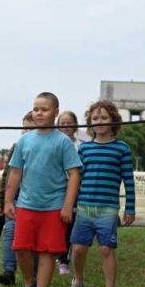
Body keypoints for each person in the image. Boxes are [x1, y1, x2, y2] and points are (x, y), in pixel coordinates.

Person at [5, 93, 81, 287]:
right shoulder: (24, 141)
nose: (39, 113)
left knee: (47, 251)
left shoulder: (63, 142)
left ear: (55, 112)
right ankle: (29, 284)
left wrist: (68, 205)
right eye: (36, 109)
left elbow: (74, 174)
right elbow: (15, 172)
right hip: (26, 205)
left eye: (44, 109)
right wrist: (8, 201)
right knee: (21, 248)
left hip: (53, 207)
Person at [69, 101, 135, 287]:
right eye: (95, 118)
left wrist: (130, 208)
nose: (99, 121)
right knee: (78, 249)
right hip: (84, 208)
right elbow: (76, 179)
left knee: (106, 249)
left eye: (104, 118)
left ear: (113, 120)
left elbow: (129, 180)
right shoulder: (84, 148)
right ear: (90, 122)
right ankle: (78, 279)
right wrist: (69, 204)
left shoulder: (122, 149)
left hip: (108, 209)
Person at [0, 112, 35, 286]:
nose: (26, 132)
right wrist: (2, 200)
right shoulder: (17, 146)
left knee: (32, 237)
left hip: (36, 200)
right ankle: (8, 270)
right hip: (15, 199)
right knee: (10, 230)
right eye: (24, 128)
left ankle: (34, 273)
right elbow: (7, 174)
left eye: (30, 128)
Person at [55, 111, 81, 275]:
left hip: (76, 189)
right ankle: (61, 257)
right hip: (57, 189)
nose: (66, 126)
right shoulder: (54, 143)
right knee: (59, 224)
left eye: (69, 123)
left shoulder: (81, 146)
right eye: (62, 123)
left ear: (75, 125)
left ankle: (65, 256)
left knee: (71, 223)